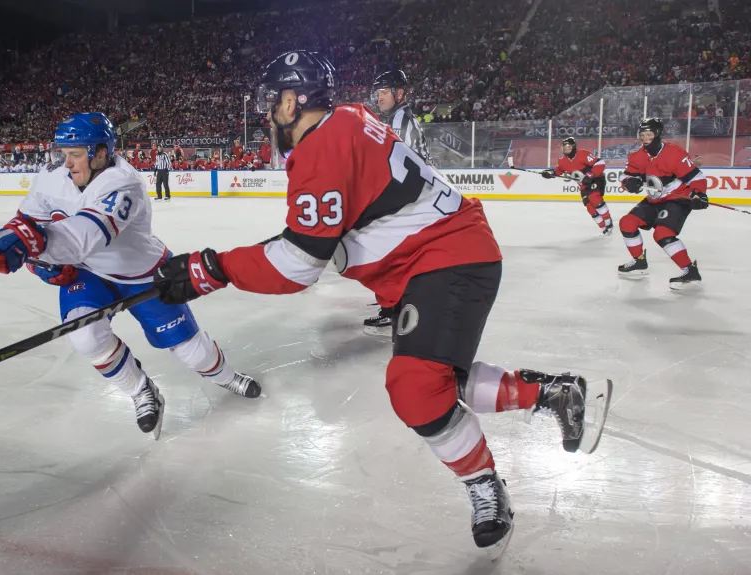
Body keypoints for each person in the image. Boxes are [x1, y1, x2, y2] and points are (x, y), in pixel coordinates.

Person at [152, 51, 612, 556]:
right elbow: (334, 223)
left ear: (291, 101)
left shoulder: (321, 149)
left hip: (444, 258)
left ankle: (484, 483)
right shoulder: (349, 117)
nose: (267, 114)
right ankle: (553, 394)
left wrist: (210, 268)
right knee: (435, 380)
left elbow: (298, 265)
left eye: (271, 102)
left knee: (414, 388)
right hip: (437, 257)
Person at [0, 113, 261, 441]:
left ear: (100, 153)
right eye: (62, 153)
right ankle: (142, 390)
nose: (66, 163)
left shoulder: (123, 183)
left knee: (192, 352)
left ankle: (225, 376)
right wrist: (28, 251)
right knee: (85, 337)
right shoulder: (52, 174)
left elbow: (84, 236)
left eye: (76, 154)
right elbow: (28, 220)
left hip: (142, 271)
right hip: (90, 273)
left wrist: (30, 245)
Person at [363, 69, 434, 334]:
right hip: (412, 200)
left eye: (384, 92)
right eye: (378, 93)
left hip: (411, 202)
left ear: (399, 93)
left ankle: (393, 308)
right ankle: (392, 302)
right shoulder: (397, 118)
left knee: (388, 252)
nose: (379, 98)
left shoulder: (401, 121)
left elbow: (405, 168)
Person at [617, 118, 708, 289]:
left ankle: (690, 271)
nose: (645, 138)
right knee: (627, 223)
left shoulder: (675, 153)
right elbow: (625, 176)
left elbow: (696, 177)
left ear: (658, 134)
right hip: (654, 199)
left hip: (677, 198)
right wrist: (629, 182)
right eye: (642, 135)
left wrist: (699, 194)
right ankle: (639, 262)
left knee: (662, 234)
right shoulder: (637, 156)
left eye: (649, 135)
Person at [541, 137, 614, 235]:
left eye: (569, 147)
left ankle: (608, 222)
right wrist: (549, 173)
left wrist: (590, 175)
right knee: (589, 207)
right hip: (584, 185)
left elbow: (600, 163)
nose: (566, 149)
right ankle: (603, 227)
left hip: (596, 179)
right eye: (564, 147)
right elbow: (558, 171)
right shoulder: (562, 160)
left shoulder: (583, 154)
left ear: (574, 147)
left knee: (594, 197)